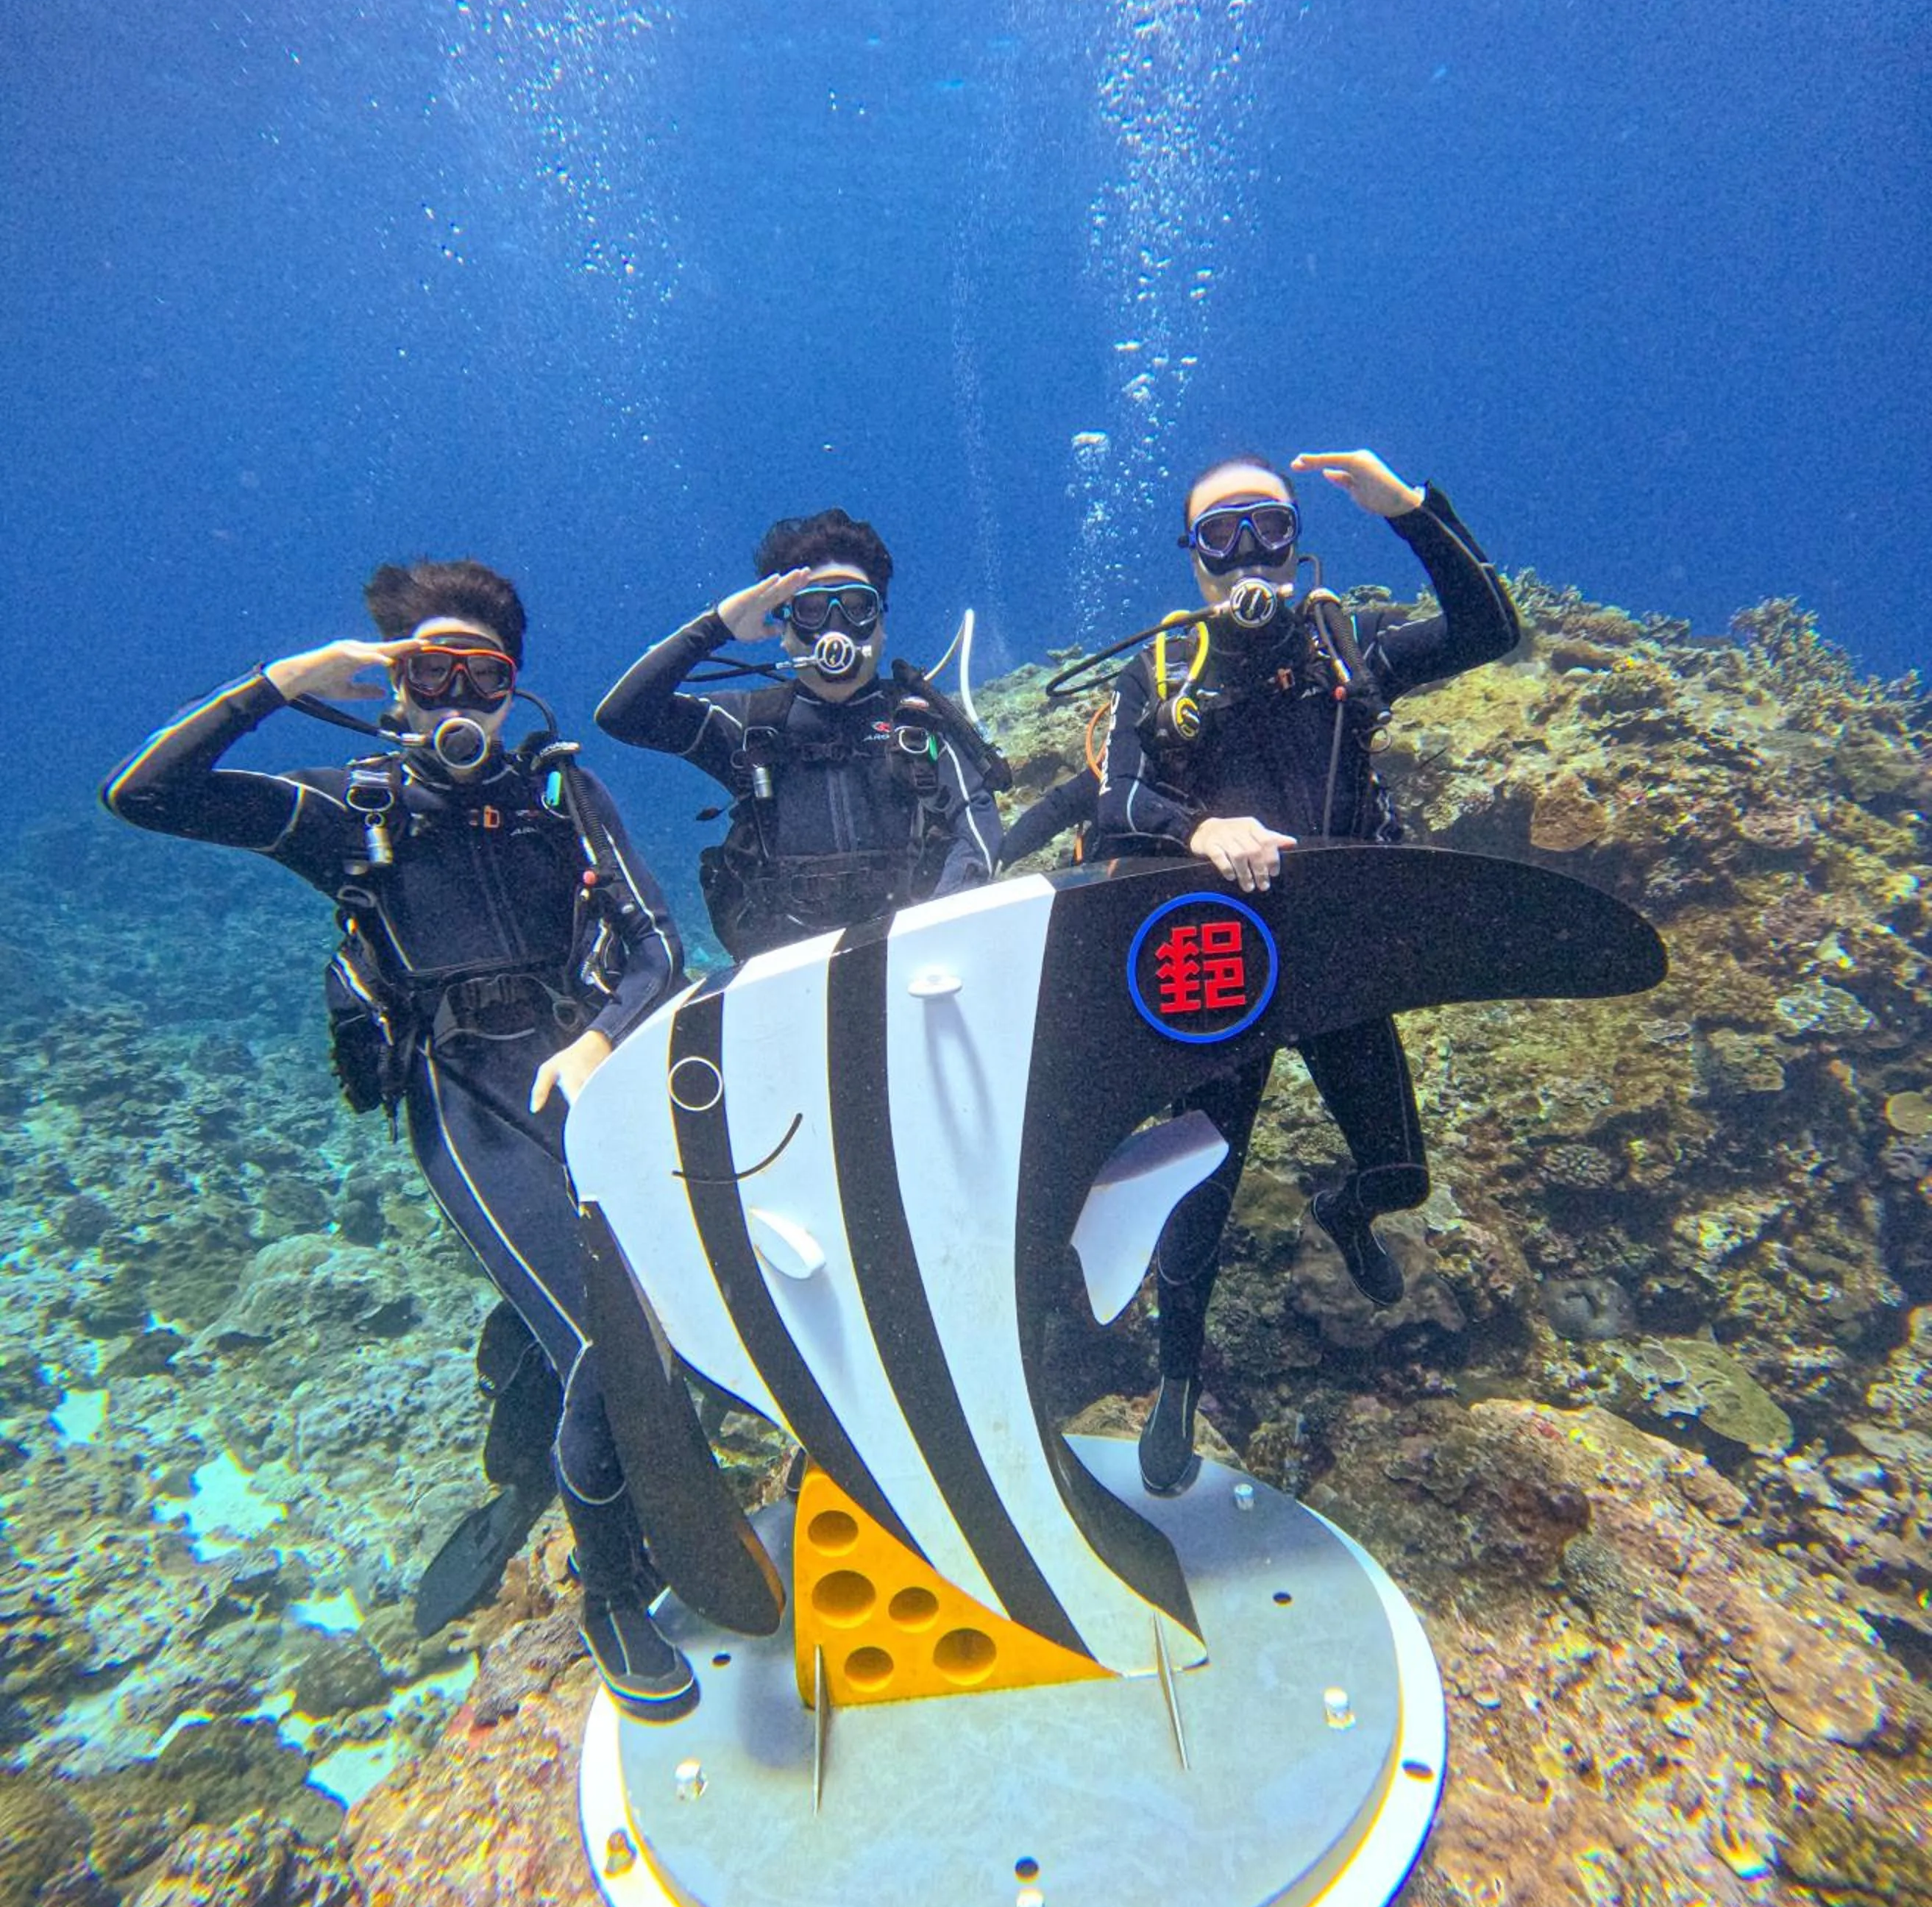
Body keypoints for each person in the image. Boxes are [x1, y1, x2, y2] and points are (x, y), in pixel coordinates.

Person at [102, 560, 700, 1720]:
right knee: (609, 1344)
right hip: (460, 1094)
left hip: (589, 1082)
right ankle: (611, 1592)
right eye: (432, 673)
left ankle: (524, 1372)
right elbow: (146, 797)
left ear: (513, 688)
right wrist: (279, 685)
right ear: (393, 684)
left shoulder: (562, 794)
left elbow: (656, 948)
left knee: (682, 1314)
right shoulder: (349, 810)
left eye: (485, 676)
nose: (459, 700)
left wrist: (600, 1040)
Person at [1092, 450, 1521, 1494]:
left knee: (1402, 1172)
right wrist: (1199, 828)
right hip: (1218, 965)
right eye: (1220, 534)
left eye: (1268, 527)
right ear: (1194, 557)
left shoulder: (1344, 643)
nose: (1247, 552)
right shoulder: (1163, 671)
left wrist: (1409, 511)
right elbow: (1115, 806)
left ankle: (1346, 1210)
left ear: (1296, 541)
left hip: (1336, 954)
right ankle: (1175, 1380)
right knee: (1204, 1187)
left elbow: (1489, 631)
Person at [597, 508, 1003, 959]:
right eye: (812, 610)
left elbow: (977, 829)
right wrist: (717, 626)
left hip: (918, 958)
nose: (836, 629)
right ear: (785, 631)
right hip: (788, 973)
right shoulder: (748, 724)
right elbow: (623, 715)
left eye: (857, 608)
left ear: (881, 626)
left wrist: (929, 933)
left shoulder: (920, 720)